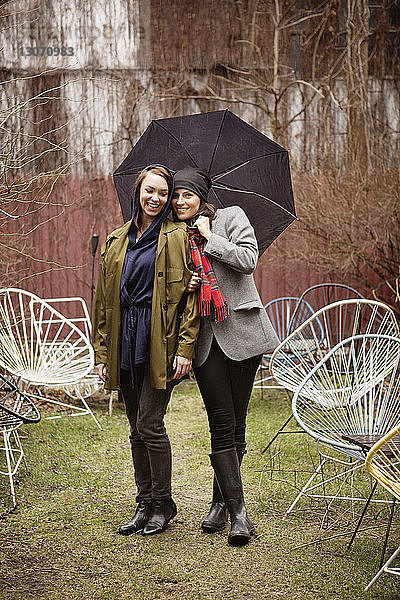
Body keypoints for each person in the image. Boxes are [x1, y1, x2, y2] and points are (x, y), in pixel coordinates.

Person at [172, 167, 279, 546]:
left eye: (187, 195)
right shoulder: (171, 236)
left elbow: (248, 260)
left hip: (242, 332)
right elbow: (167, 288)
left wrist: (210, 238)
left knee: (238, 424)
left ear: (201, 196)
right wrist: (187, 285)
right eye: (176, 196)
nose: (180, 202)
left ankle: (220, 502)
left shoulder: (232, 217)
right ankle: (239, 515)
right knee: (221, 422)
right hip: (203, 341)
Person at [91, 164, 199, 537]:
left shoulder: (179, 236)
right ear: (138, 191)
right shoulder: (116, 240)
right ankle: (144, 503)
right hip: (125, 337)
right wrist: (102, 353)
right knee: (135, 429)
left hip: (159, 341)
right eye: (150, 191)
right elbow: (103, 301)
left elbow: (192, 301)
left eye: (164, 193)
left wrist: (185, 348)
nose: (156, 198)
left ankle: (163, 503)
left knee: (149, 424)